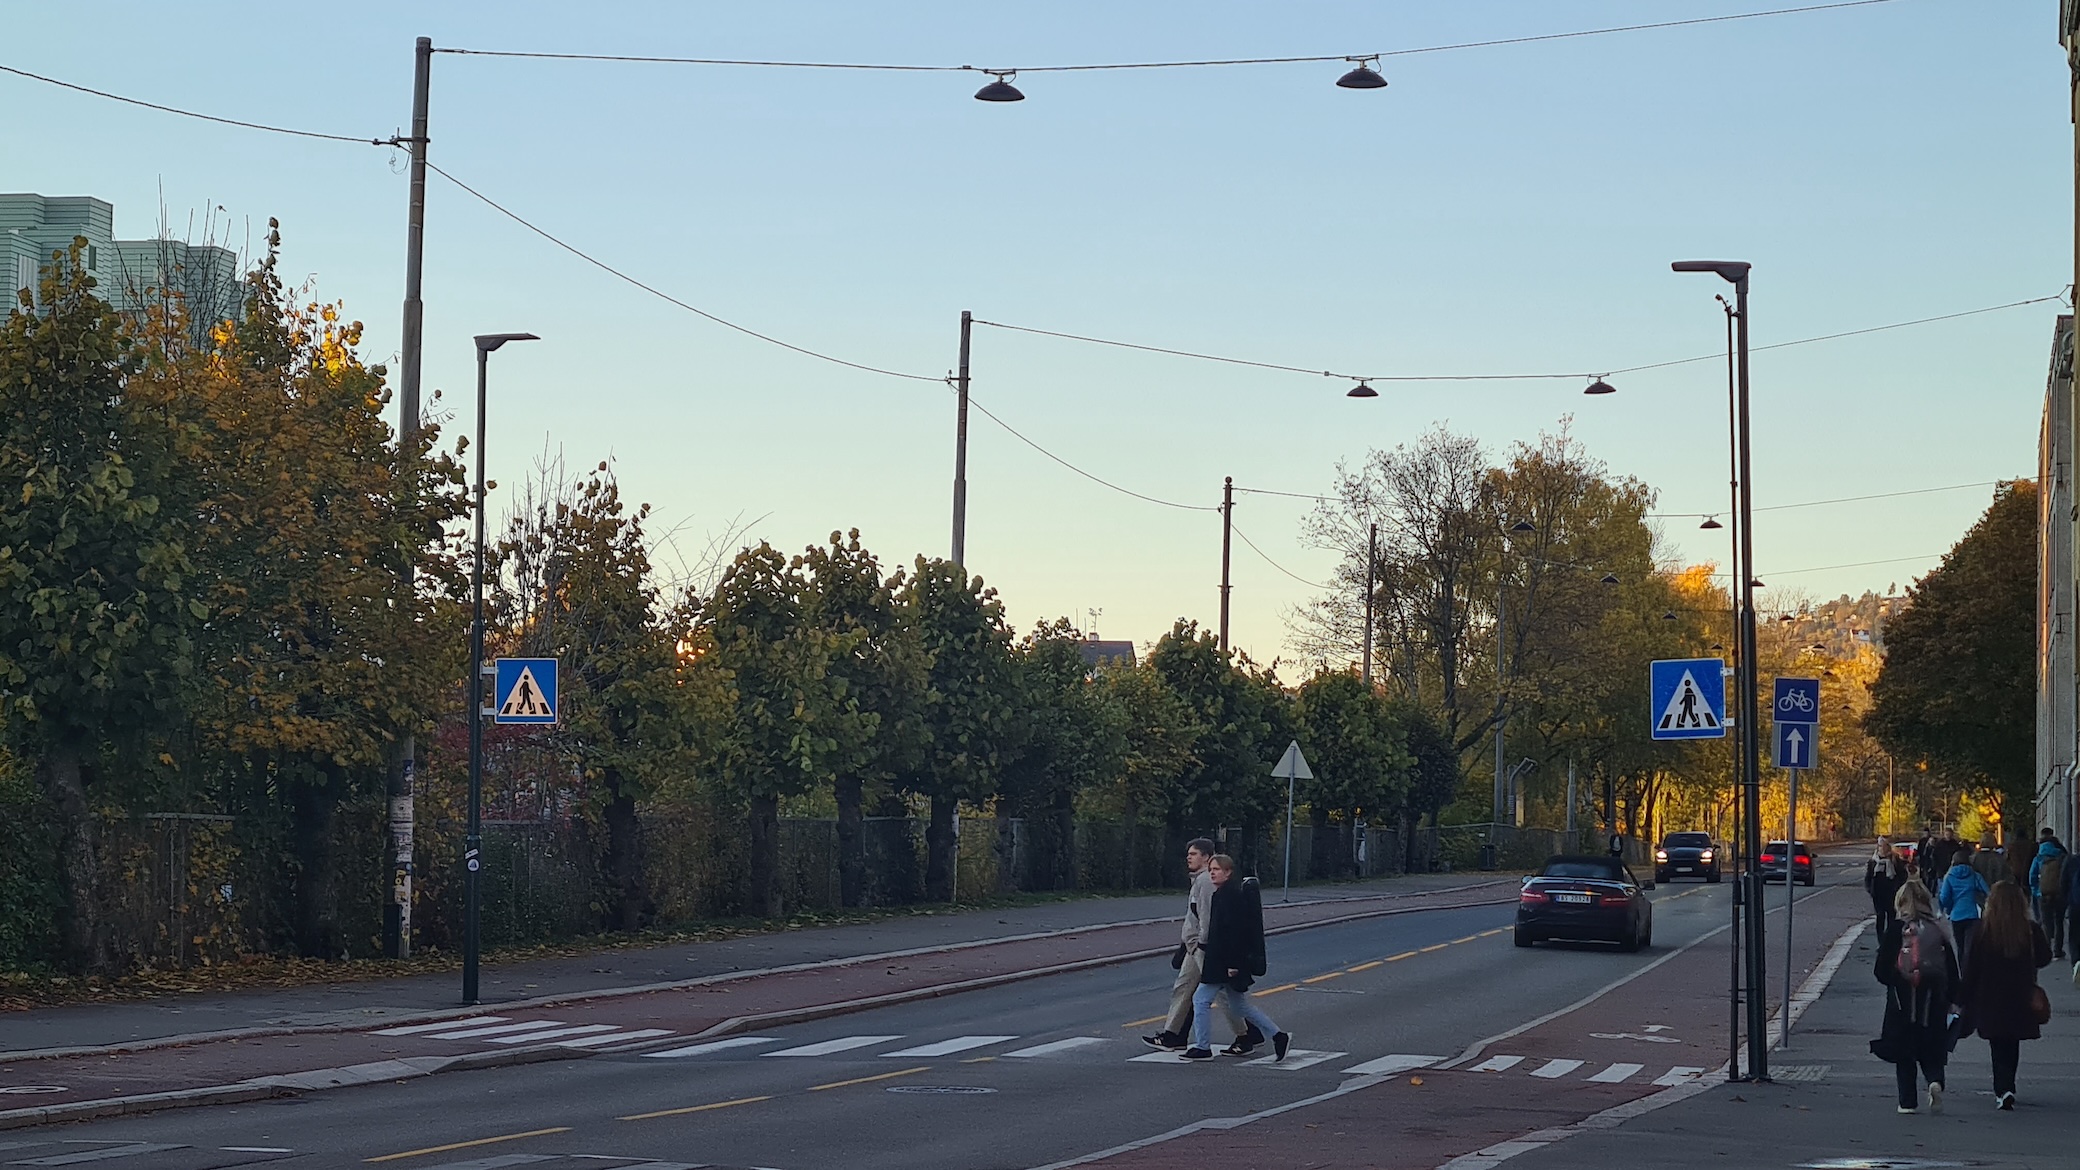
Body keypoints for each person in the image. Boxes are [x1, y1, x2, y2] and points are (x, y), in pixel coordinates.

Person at [1145, 838, 1251, 1052]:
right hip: (1194, 946)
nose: (1188, 857)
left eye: (1193, 854)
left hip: (1203, 946)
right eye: (1189, 854)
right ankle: (1171, 1034)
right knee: (1183, 987)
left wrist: (1202, 943)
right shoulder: (1200, 880)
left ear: (1206, 857)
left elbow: (1207, 916)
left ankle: (1247, 1035)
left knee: (1220, 993)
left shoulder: (1204, 882)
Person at [1184, 854, 1291, 1062]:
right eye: (1211, 869)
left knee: (1200, 999)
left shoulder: (1230, 897)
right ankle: (1278, 1036)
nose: (1212, 873)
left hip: (1224, 962)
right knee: (1238, 1006)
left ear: (1228, 872)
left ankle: (1203, 1047)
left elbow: (1235, 933)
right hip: (1224, 961)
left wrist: (1232, 964)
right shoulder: (1223, 893)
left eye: (1217, 869)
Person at [1956, 881, 2052, 1111]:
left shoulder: (1982, 930)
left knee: (1997, 1044)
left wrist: (1960, 998)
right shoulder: (2029, 929)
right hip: (2020, 996)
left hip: (1990, 998)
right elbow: (2044, 957)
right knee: (2012, 1042)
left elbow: (1970, 968)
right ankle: (2008, 1085)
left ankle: (2003, 1088)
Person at [1871, 878, 1958, 1115]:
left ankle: (1907, 1102)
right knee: (1932, 1047)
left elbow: (1881, 970)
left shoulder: (1896, 930)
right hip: (1934, 999)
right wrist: (1954, 998)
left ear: (1900, 902)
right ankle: (1935, 1081)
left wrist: (1897, 980)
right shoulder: (1937, 929)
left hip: (1902, 1001)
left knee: (1904, 1052)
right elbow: (1951, 969)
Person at [1936, 844, 1990, 968]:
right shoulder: (1975, 875)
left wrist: (1948, 908)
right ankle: (1972, 971)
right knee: (1970, 947)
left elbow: (1944, 897)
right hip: (1973, 914)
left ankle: (1963, 974)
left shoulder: (1949, 877)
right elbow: (1988, 892)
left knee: (1960, 947)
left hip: (1956, 915)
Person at [2027, 830, 2068, 960]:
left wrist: (2036, 891)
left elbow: (2032, 877)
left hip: (2042, 894)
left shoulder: (2038, 857)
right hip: (2059, 894)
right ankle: (2058, 950)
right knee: (2059, 922)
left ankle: (2047, 949)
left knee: (2046, 922)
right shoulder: (2061, 856)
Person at [1866, 837, 1908, 940]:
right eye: (1880, 846)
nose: (1882, 848)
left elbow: (1903, 875)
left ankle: (1889, 940)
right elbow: (1868, 877)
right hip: (1878, 894)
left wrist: (1897, 887)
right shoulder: (1873, 861)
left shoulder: (1894, 860)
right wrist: (1870, 889)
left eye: (1884, 846)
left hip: (1891, 893)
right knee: (1880, 916)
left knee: (1891, 917)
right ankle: (1881, 941)